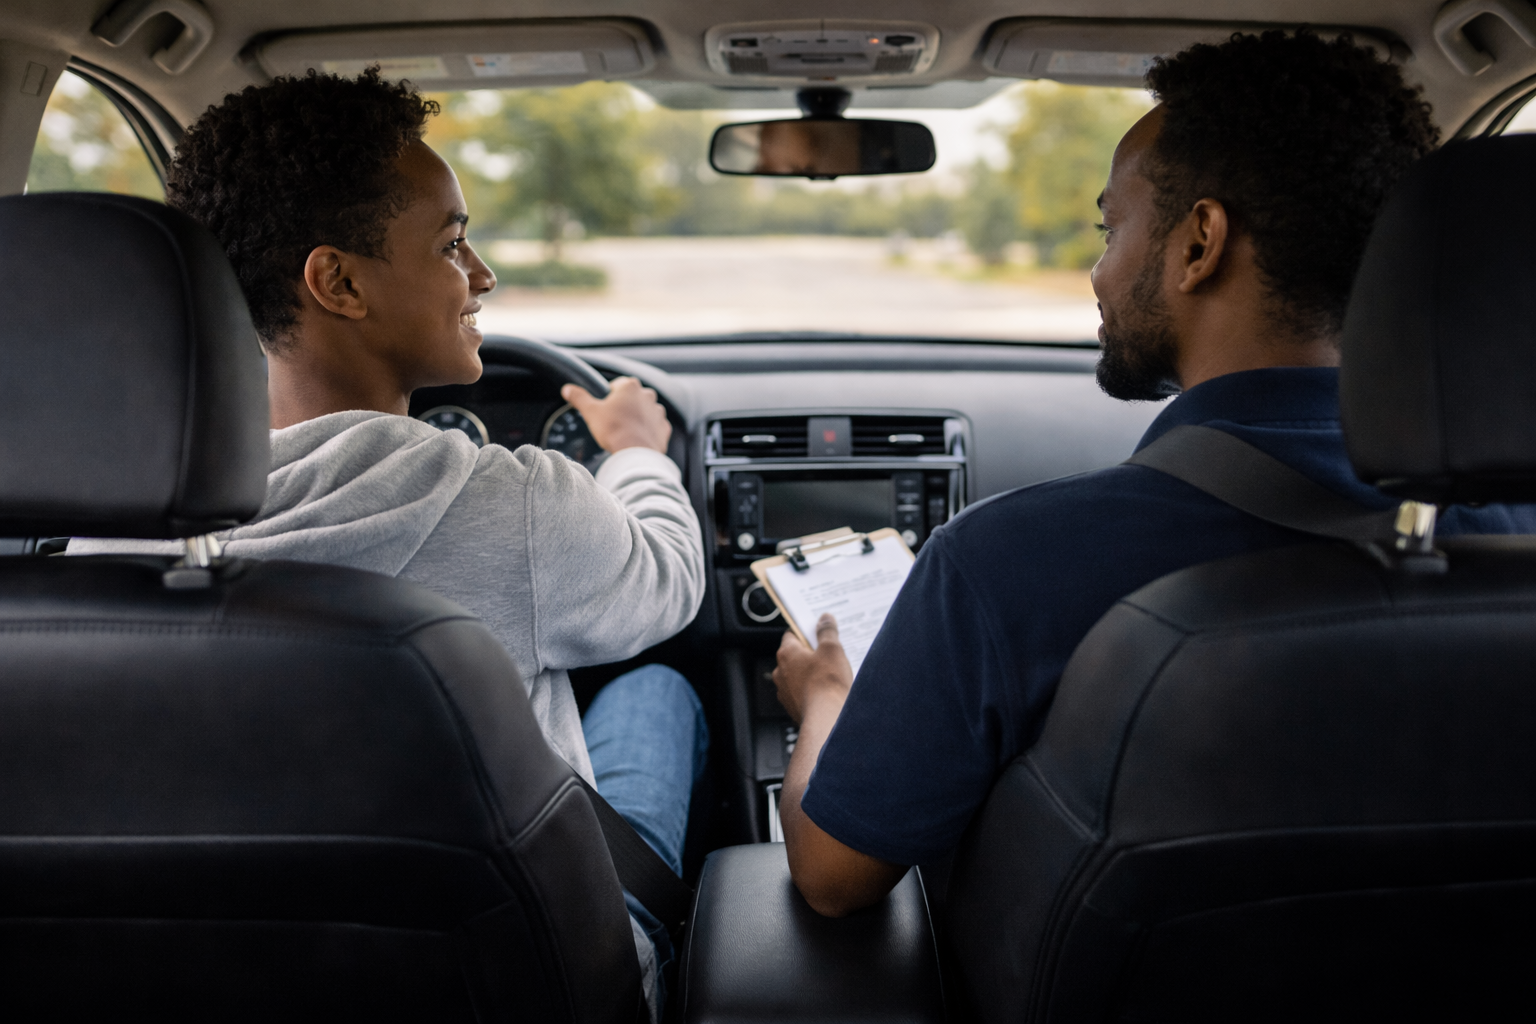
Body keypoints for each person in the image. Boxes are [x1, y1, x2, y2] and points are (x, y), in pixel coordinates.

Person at [770, 30, 1536, 918]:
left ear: (1199, 242)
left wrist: (826, 698)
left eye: (1111, 229)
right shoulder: (1514, 544)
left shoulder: (1008, 563)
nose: (1098, 272)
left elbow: (833, 878)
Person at [68, 70, 703, 1019]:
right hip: (520, 977)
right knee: (658, 691)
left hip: (217, 981)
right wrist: (639, 455)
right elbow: (670, 580)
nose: (481, 274)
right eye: (451, 243)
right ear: (339, 281)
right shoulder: (504, 502)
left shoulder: (98, 539)